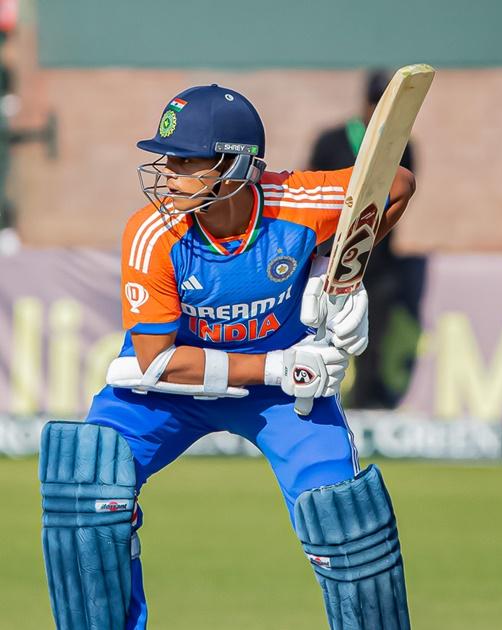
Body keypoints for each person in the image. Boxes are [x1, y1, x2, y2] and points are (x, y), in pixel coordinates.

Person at [39, 84, 415, 630]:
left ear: (235, 165)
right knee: (86, 485)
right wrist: (276, 367)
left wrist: (334, 269)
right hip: (173, 387)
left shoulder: (296, 202)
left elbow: (396, 183)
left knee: (345, 521)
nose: (168, 174)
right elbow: (155, 359)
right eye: (166, 160)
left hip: (283, 398)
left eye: (184, 161)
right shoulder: (153, 232)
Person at [309, 68, 424, 408]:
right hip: (332, 255)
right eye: (374, 102)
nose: (376, 110)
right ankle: (317, 390)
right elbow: (314, 190)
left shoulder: (402, 145)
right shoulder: (332, 140)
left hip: (379, 257)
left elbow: (403, 192)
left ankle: (367, 398)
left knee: (372, 331)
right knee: (323, 325)